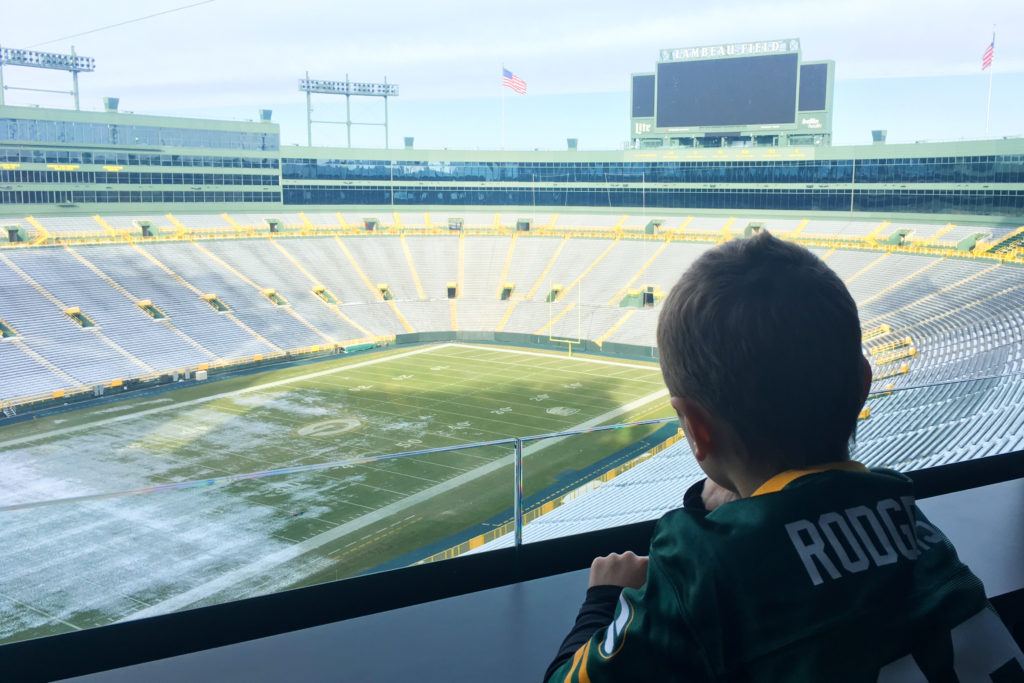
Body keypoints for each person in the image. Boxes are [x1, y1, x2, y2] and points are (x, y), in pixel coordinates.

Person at [545, 232, 1023, 682]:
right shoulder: (913, 522)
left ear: (694, 428)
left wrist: (604, 598)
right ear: (862, 385)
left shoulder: (698, 568)